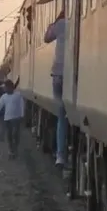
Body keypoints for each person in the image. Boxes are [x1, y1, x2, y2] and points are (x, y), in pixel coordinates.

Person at [44, 9, 67, 167]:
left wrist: (55, 20)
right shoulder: (73, 22)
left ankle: (60, 155)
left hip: (58, 75)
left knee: (61, 117)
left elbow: (46, 38)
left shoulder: (60, 24)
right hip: (72, 74)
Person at [0, 79, 25, 159]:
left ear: (11, 87)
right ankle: (11, 150)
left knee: (15, 134)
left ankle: (15, 148)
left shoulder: (18, 95)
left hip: (16, 118)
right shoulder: (4, 97)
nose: (5, 89)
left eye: (6, 88)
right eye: (4, 88)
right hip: (7, 119)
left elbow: (22, 105)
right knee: (9, 134)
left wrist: (22, 115)